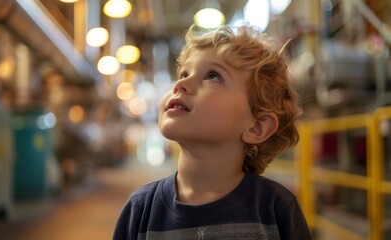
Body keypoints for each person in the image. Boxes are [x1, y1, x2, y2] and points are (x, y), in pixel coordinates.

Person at [113, 23, 313, 240]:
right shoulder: (141, 209)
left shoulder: (276, 208)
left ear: (257, 127)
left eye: (212, 76)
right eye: (183, 73)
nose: (181, 83)